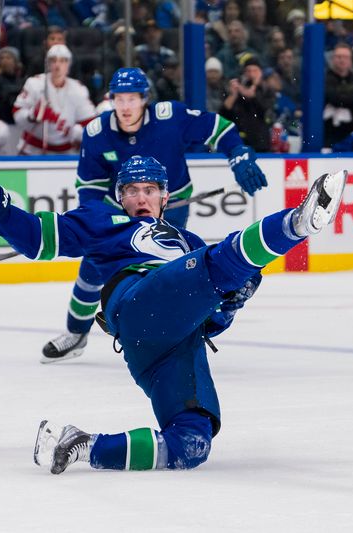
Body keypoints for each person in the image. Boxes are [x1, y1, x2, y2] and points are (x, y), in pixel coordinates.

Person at [0, 155, 348, 474]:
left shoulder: (188, 242)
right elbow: (38, 238)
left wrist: (232, 304)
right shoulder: (102, 222)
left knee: (191, 443)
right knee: (219, 261)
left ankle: (81, 445)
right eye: (131, 190)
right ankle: (296, 223)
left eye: (149, 189)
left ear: (164, 196)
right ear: (120, 196)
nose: (140, 197)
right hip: (136, 304)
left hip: (169, 345)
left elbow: (212, 321)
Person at [42, 67, 268, 364]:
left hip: (171, 210)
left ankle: (196, 327)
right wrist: (93, 222)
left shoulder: (169, 117)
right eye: (118, 99)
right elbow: (90, 188)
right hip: (122, 214)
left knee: (175, 267)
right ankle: (76, 333)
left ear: (144, 99)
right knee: (93, 267)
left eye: (131, 99)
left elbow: (218, 128)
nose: (125, 107)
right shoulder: (97, 134)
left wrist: (237, 152)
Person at [12, 44, 95, 155]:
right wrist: (32, 115)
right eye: (53, 60)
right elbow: (17, 114)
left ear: (69, 64)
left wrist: (79, 133)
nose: (57, 65)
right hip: (32, 150)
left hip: (66, 153)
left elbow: (91, 125)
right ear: (47, 63)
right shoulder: (34, 83)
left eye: (62, 61)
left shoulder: (79, 89)